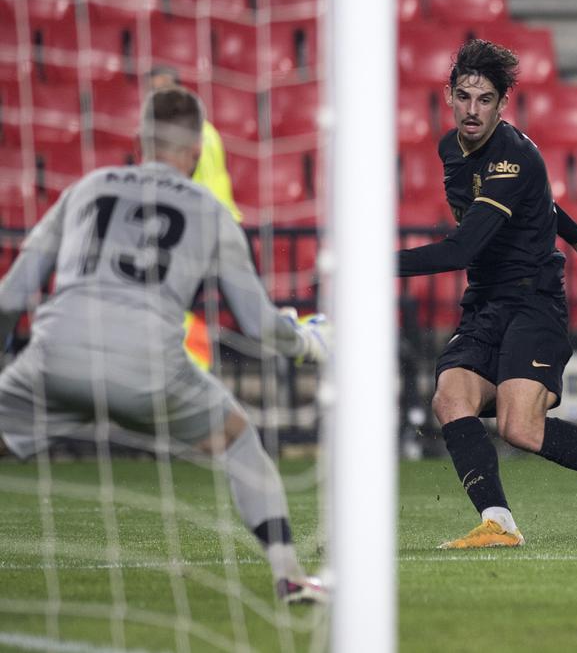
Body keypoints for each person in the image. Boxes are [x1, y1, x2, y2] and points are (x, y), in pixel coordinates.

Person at [0, 86, 330, 602]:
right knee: (241, 441)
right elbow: (258, 324)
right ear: (198, 150)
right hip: (148, 370)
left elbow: (10, 296)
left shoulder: (86, 188)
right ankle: (289, 577)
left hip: (55, 355)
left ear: (139, 140)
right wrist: (308, 343)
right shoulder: (210, 211)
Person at [397, 39, 577, 549]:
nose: (472, 110)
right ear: (448, 96)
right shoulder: (452, 149)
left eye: (484, 99)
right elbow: (544, 204)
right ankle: (499, 524)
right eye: (464, 96)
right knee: (451, 399)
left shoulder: (511, 158)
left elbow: (461, 247)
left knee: (522, 427)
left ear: (502, 104)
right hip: (486, 299)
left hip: (533, 300)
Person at [147, 66, 241, 373]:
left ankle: (190, 367)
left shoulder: (191, 137)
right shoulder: (188, 132)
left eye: (162, 92)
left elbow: (183, 189)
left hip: (212, 233)